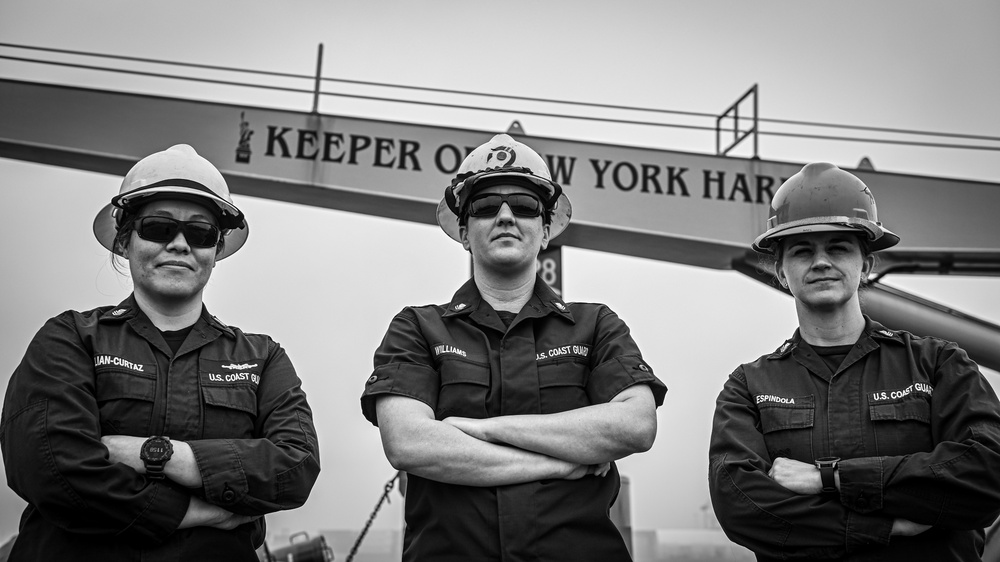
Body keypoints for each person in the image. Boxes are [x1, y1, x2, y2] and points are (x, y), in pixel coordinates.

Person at [0, 144, 320, 560]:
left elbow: (294, 469)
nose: (180, 244)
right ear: (125, 239)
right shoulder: (69, 338)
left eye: (200, 233)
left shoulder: (262, 357)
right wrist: (198, 511)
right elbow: (50, 469)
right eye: (158, 227)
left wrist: (155, 455)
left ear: (216, 250)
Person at [361, 134, 667, 561]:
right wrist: (560, 463)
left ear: (545, 232)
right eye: (486, 208)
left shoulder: (596, 324)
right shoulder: (417, 328)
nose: (505, 216)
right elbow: (409, 444)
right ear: (465, 233)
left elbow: (635, 426)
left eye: (523, 206)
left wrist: (479, 429)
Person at [708, 162, 1000, 561]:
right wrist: (883, 525)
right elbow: (740, 505)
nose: (821, 261)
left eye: (838, 247)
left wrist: (828, 478)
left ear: (865, 265)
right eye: (802, 250)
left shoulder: (939, 365)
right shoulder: (750, 387)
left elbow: (987, 476)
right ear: (780, 271)